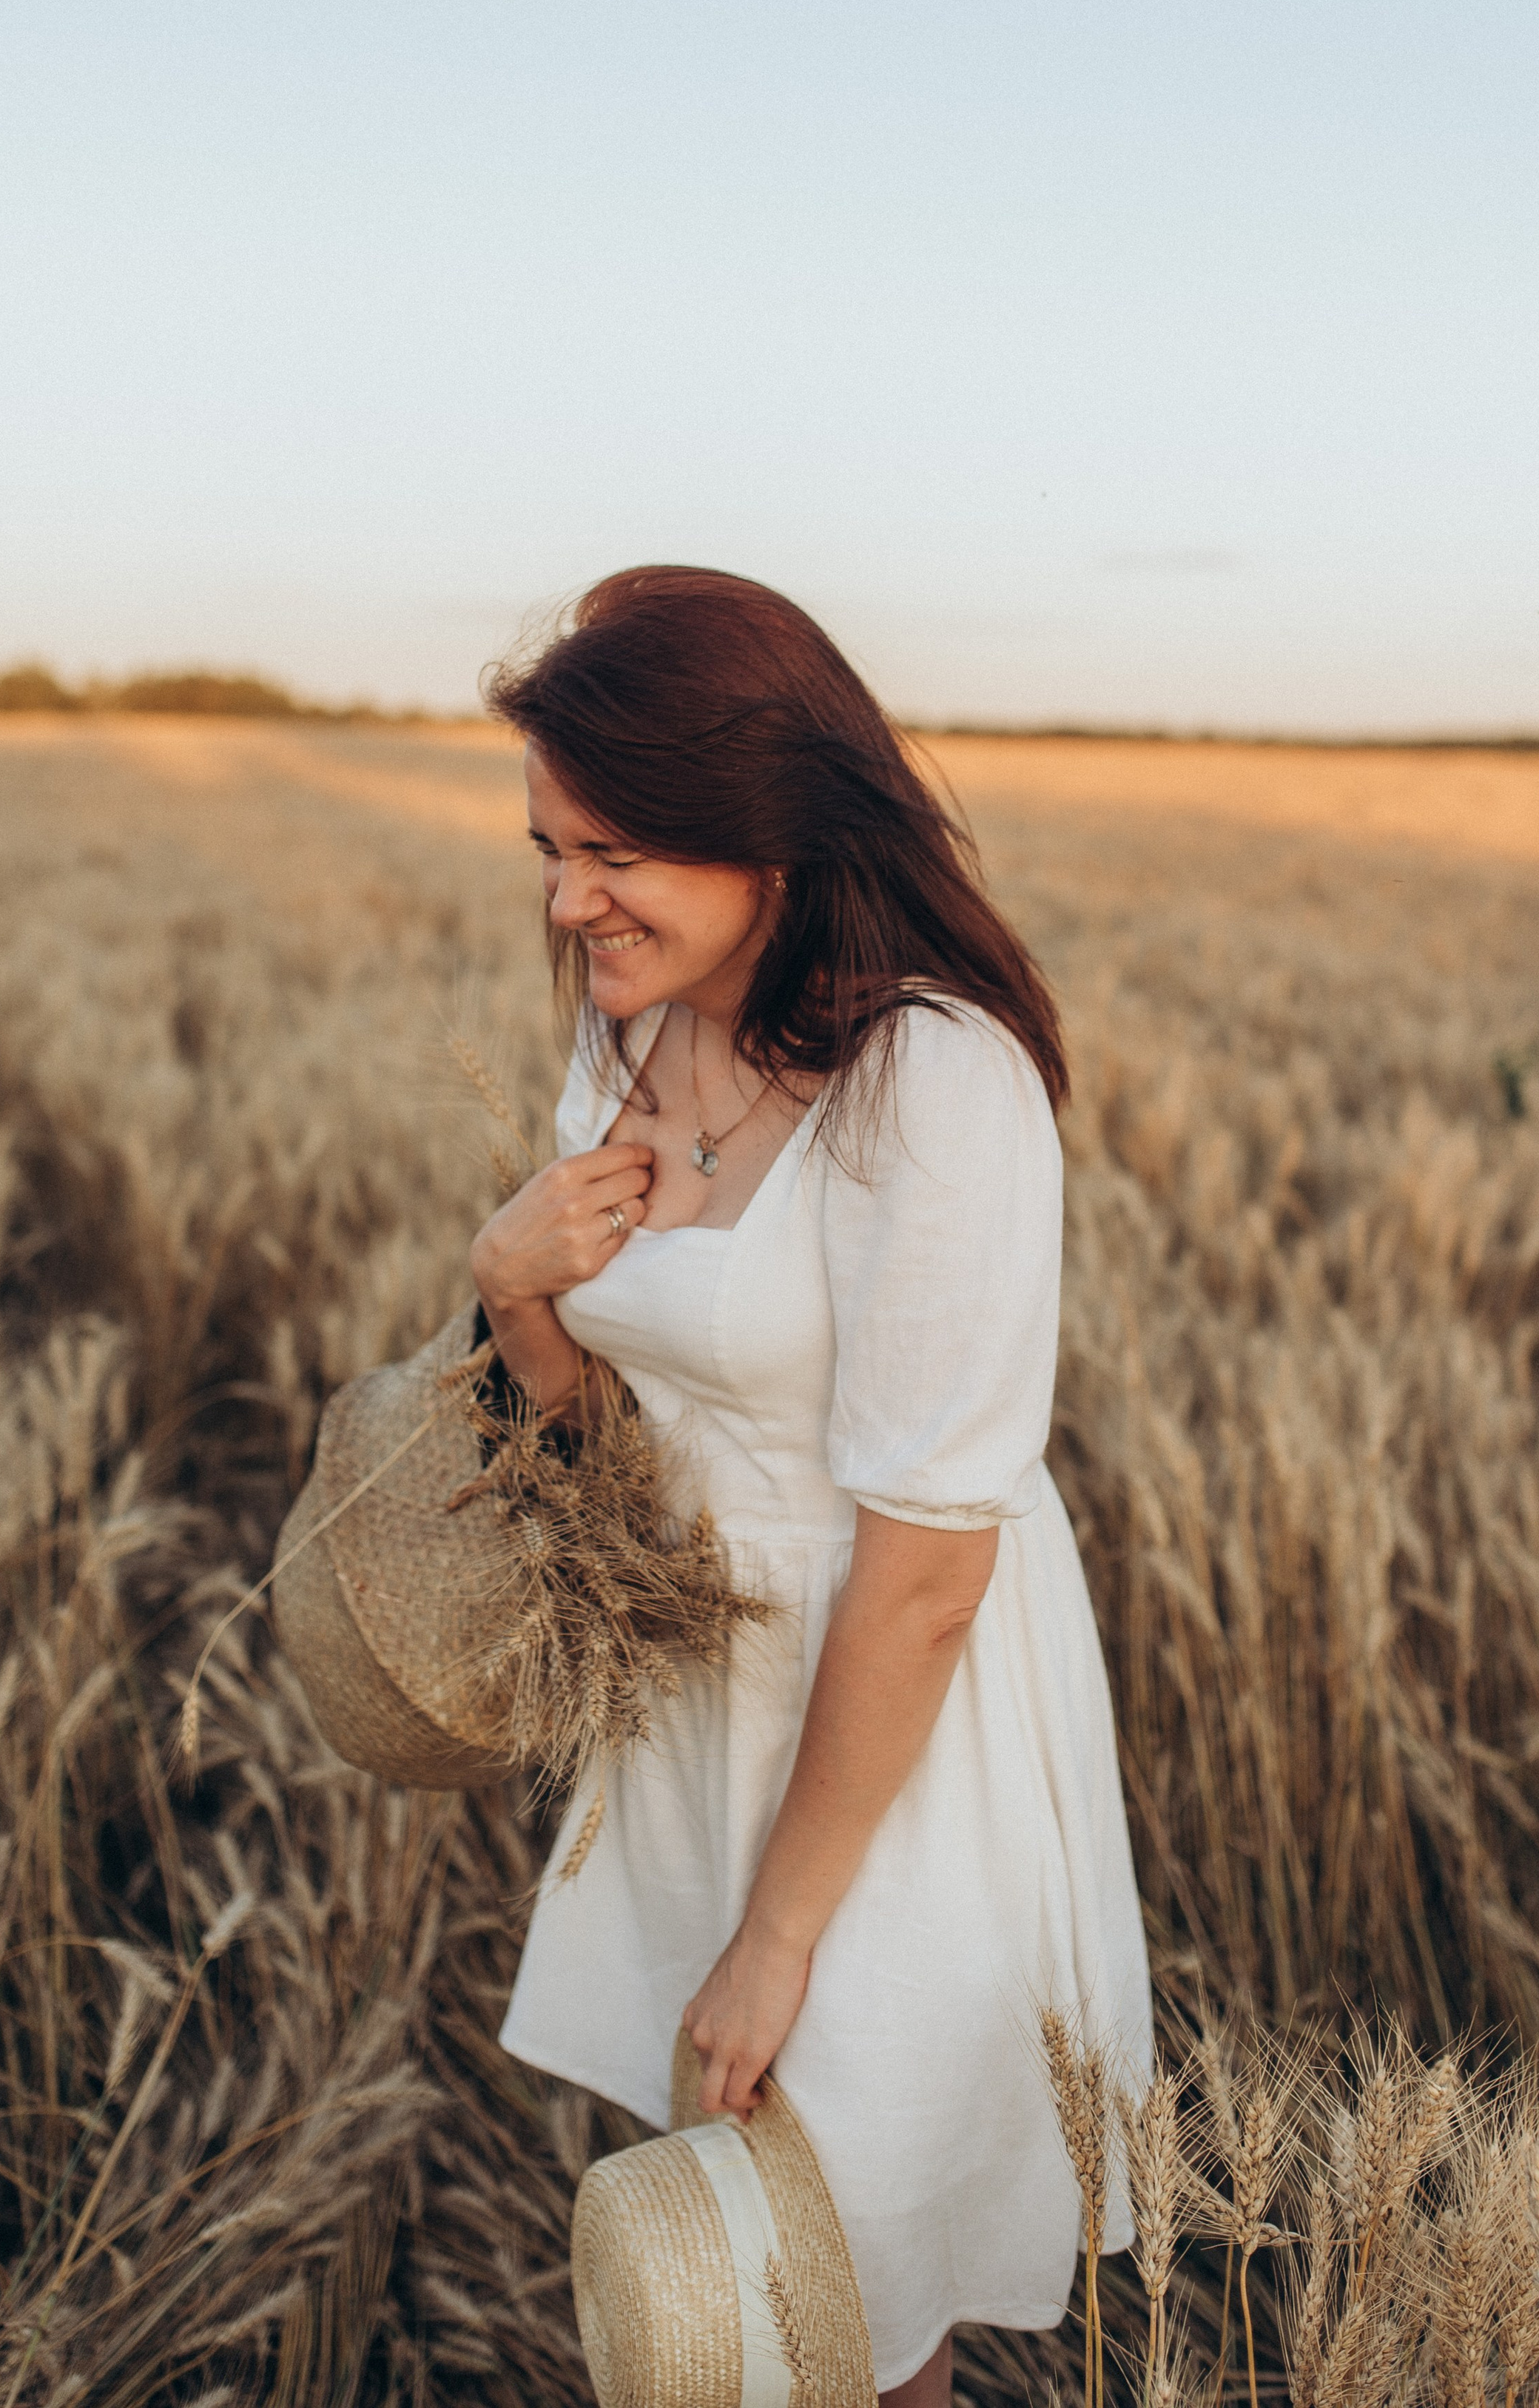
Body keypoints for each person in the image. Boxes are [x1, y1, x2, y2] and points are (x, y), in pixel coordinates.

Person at [473, 567, 1151, 2404]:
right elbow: (614, 1457)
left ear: (763, 830)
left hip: (882, 1735)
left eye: (611, 849)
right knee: (759, 2280)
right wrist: (514, 1289)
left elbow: (930, 1566)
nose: (563, 897)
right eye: (547, 843)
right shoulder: (629, 1027)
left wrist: (781, 1933)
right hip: (698, 1691)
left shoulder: (933, 1083)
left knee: (851, 2285)